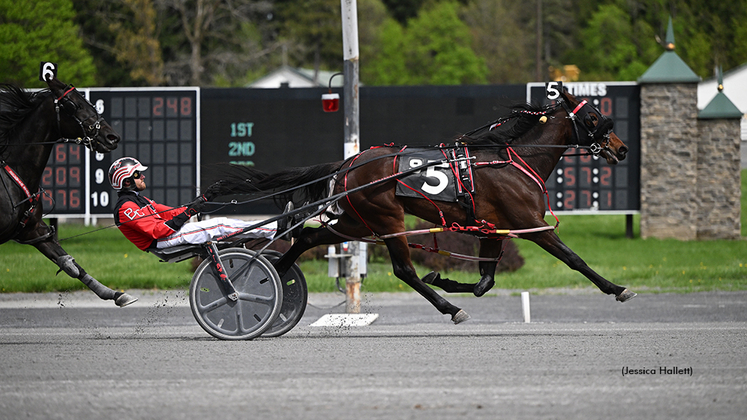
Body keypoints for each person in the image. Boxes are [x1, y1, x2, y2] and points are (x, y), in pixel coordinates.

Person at [109, 157, 292, 251]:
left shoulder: (138, 200)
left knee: (222, 223)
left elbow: (172, 213)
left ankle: (275, 228)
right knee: (220, 225)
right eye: (137, 174)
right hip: (162, 241)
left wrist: (202, 200)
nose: (143, 176)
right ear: (126, 181)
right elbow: (157, 231)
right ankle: (278, 229)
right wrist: (189, 213)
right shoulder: (127, 208)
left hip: (167, 235)